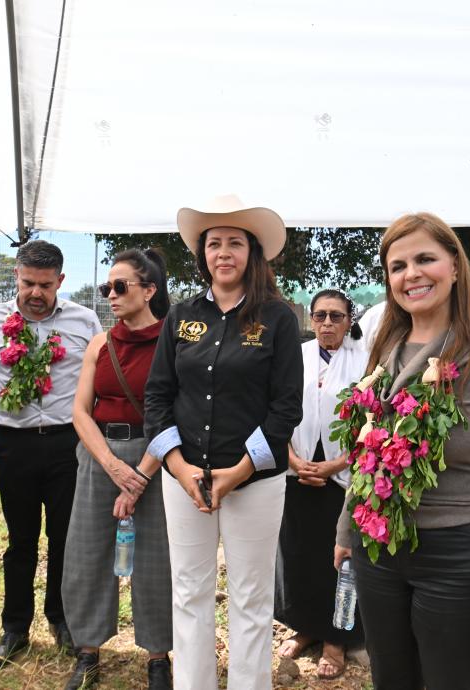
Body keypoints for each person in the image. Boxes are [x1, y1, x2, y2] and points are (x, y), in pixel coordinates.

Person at [334, 212, 470, 690]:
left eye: (425, 258)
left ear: (454, 266)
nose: (412, 274)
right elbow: (370, 452)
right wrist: (347, 529)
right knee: (391, 680)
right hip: (379, 551)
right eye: (398, 266)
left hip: (460, 556)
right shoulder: (387, 347)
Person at [144, 194, 303, 690]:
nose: (224, 252)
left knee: (250, 596)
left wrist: (239, 472)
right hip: (185, 479)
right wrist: (177, 465)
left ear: (252, 253)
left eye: (235, 242)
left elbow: (285, 409)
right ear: (203, 255)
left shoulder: (277, 318)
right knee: (189, 591)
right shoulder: (182, 317)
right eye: (215, 243)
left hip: (253, 482)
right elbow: (157, 396)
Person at [0, 240, 102, 672]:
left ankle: (62, 620)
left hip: (69, 445)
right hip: (16, 444)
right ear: (17, 278)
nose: (36, 294)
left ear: (61, 281)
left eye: (45, 285)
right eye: (28, 283)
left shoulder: (85, 321)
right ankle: (14, 628)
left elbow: (98, 381)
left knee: (65, 539)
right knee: (20, 541)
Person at [61, 248, 173, 690]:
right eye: (107, 287)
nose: (110, 294)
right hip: (100, 455)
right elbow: (79, 412)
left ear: (149, 290)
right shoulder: (99, 344)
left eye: (120, 286)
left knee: (156, 559)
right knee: (86, 554)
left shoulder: (174, 343)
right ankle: (87, 652)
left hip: (158, 456)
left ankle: (159, 657)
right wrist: (110, 464)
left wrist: (140, 474)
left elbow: (176, 417)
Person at [275, 289, 366, 679]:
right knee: (298, 555)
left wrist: (335, 465)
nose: (327, 323)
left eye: (336, 316)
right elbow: (276, 409)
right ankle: (307, 628)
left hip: (340, 477)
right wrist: (294, 460)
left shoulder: (364, 363)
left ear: (350, 320)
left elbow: (372, 426)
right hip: (298, 472)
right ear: (310, 320)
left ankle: (336, 637)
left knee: (338, 560)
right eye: (320, 316)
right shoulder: (295, 357)